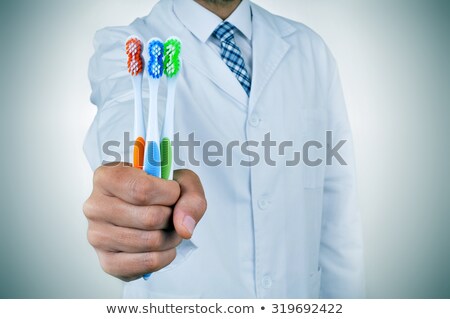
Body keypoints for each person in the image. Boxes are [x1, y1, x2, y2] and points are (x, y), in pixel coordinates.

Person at [83, 0, 365, 298]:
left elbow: (338, 218)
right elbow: (125, 111)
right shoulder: (125, 45)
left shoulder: (310, 49)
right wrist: (134, 192)